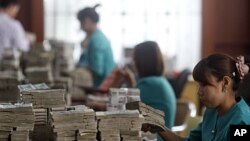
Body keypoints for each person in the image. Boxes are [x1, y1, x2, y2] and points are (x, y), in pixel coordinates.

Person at [143, 53, 250, 141]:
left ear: (225, 83)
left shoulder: (242, 122)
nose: (199, 92)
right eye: (199, 85)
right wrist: (160, 127)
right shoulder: (212, 112)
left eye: (204, 85)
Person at [133, 41, 176, 141]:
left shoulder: (147, 84)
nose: (133, 64)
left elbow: (124, 110)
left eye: (135, 60)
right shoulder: (160, 81)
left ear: (141, 62)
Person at [77, 4, 115, 87]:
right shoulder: (97, 37)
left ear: (87, 21)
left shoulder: (96, 40)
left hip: (101, 87)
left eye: (81, 22)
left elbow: (97, 70)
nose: (80, 26)